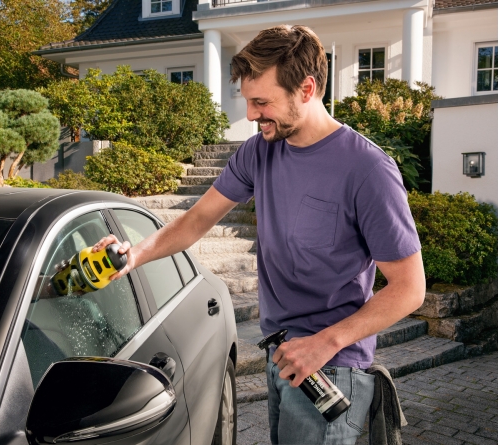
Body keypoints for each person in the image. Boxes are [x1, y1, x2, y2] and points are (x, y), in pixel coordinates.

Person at [92, 24, 426, 445]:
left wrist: (324, 343)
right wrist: (133, 254)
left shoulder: (368, 171)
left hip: (331, 365)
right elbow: (196, 220)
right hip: (281, 354)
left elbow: (410, 289)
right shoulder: (259, 150)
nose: (250, 115)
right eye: (248, 101)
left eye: (261, 102)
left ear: (306, 89)